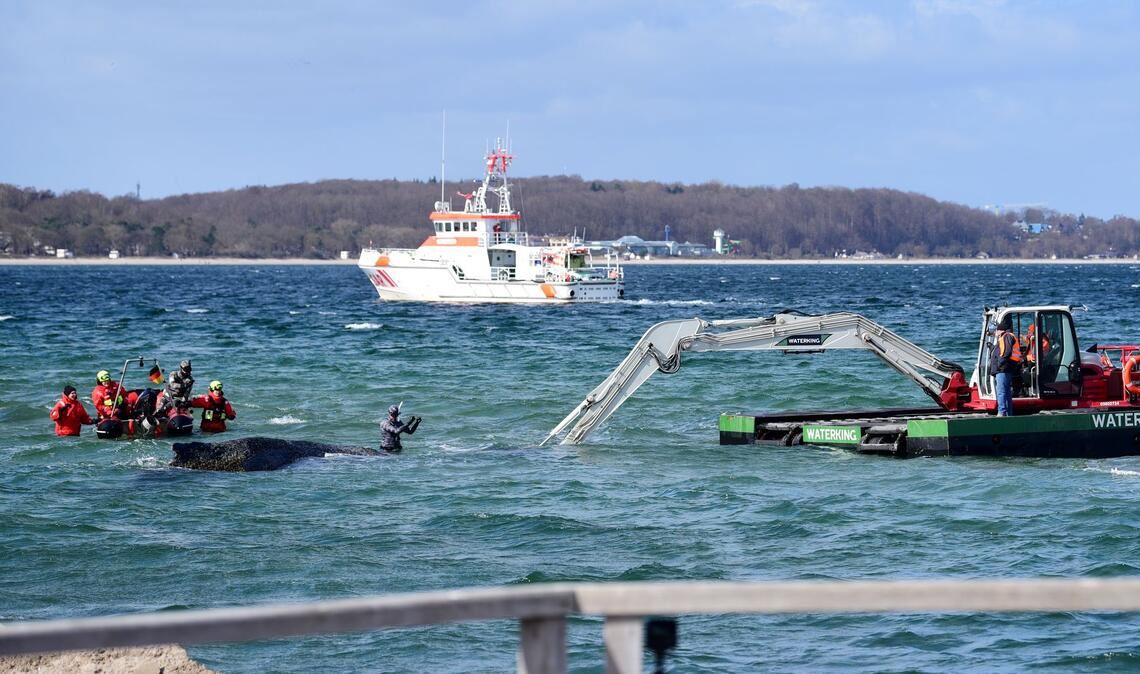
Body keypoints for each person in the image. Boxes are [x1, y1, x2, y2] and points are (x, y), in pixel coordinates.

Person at [989, 316, 1022, 416]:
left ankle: (1002, 412)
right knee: (1006, 392)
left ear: (1000, 330)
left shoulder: (1006, 337)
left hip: (1003, 369)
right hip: (1006, 368)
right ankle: (1008, 413)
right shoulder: (1008, 336)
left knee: (1001, 392)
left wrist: (999, 364)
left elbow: (1005, 353)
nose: (996, 333)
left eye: (997, 330)